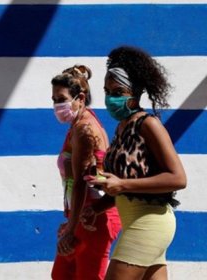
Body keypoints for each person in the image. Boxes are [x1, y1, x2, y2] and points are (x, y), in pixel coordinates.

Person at [88, 46, 187, 280]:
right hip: (139, 222)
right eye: (107, 91)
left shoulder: (148, 124)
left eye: (118, 91)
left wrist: (121, 184)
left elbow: (178, 178)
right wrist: (98, 207)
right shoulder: (121, 127)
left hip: (149, 223)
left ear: (135, 93)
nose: (111, 98)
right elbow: (126, 186)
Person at [50, 64, 121, 280]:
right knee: (63, 275)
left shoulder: (84, 130)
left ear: (80, 97)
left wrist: (72, 229)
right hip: (83, 215)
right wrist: (72, 220)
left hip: (94, 218)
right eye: (54, 100)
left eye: (61, 99)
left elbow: (81, 182)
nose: (56, 105)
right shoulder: (78, 125)